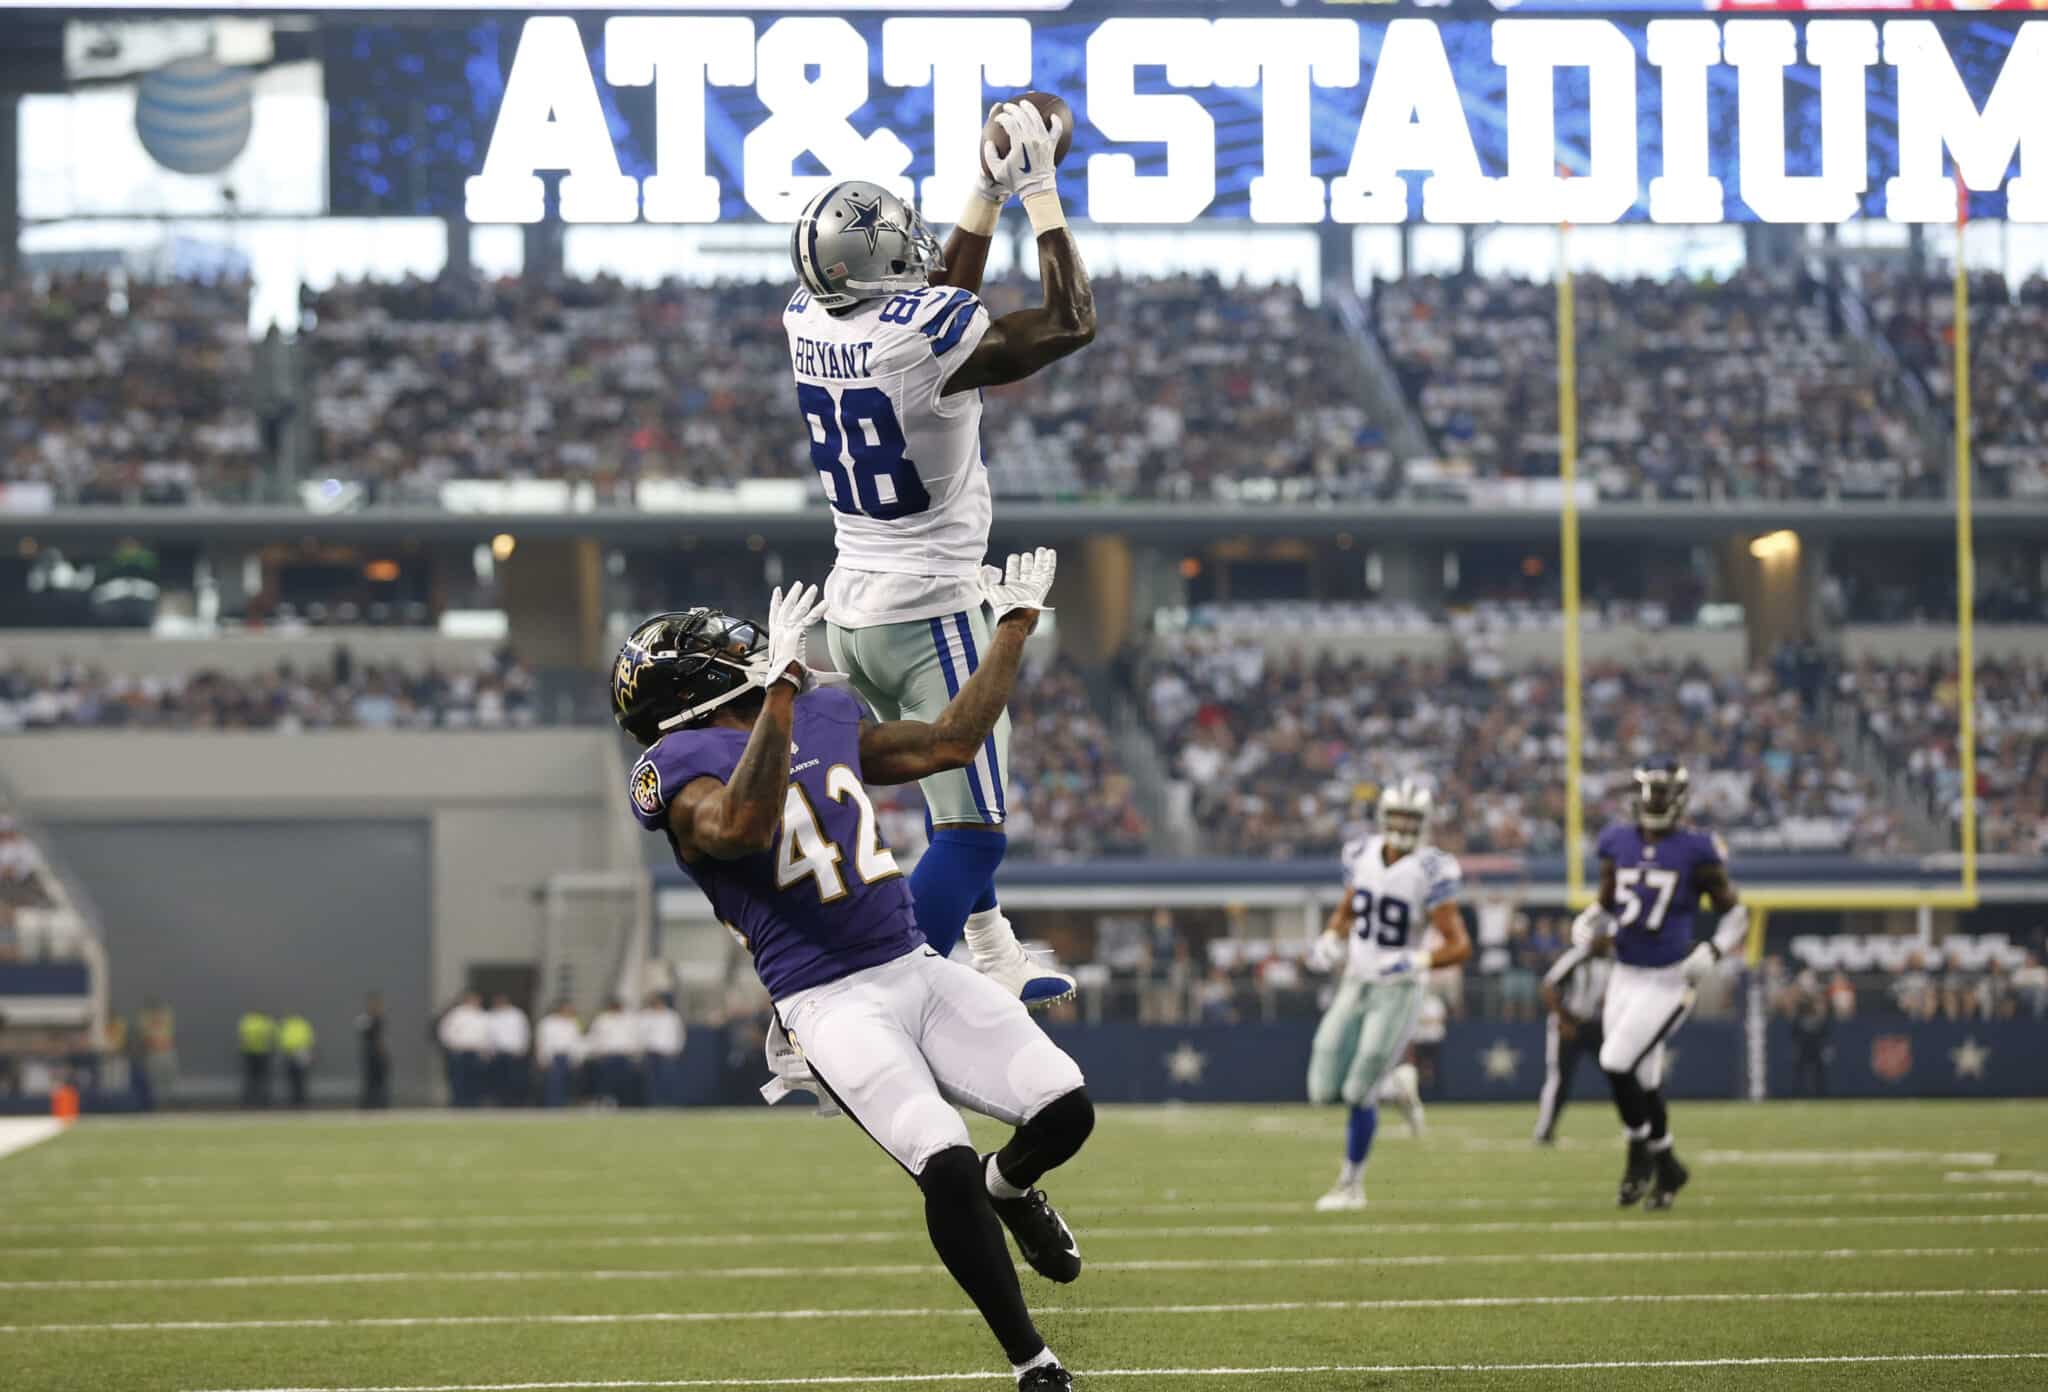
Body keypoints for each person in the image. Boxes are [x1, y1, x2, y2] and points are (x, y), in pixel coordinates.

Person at [614, 559, 1092, 1392]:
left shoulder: (821, 709)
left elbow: (952, 741)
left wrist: (1013, 627)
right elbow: (743, 825)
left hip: (910, 961)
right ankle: (1033, 1361)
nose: (741, 642)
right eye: (712, 645)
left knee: (1067, 1111)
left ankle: (1008, 1187)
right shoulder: (675, 766)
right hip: (826, 998)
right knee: (939, 1159)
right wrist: (778, 698)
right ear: (684, 684)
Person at [781, 98, 1095, 1010]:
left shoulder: (809, 316)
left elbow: (941, 302)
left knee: (945, 797)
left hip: (853, 612)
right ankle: (860, 1003)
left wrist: (980, 195)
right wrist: (1036, 191)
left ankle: (992, 945)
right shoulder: (924, 338)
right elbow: (1069, 322)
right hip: (931, 609)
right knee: (974, 835)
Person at [1572, 758, 1750, 1210]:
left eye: (1663, 795)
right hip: (1624, 972)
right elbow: (1610, 899)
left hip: (1669, 979)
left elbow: (1735, 912)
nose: (1654, 803)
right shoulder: (1617, 840)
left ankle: (1643, 1157)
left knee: (1615, 1061)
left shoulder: (1697, 849)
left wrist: (1712, 950)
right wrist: (1591, 918)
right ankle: (1668, 1169)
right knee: (1645, 1079)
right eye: (1650, 793)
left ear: (1680, 801)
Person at [1304, 780, 1472, 1211]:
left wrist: (1416, 961)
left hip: (1398, 988)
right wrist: (1331, 936)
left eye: (1411, 819)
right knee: (1322, 1085)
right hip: (1357, 978)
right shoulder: (1360, 853)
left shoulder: (1432, 868)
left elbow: (1459, 945)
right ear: (1383, 816)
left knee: (1358, 1090)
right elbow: (1351, 906)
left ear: (1424, 823)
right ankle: (1396, 1084)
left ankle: (1351, 1185)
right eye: (1397, 816)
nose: (1402, 825)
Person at [1534, 936, 1614, 1143]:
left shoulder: (1613, 960)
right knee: (1560, 1079)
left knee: (1618, 1073)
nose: (1609, 942)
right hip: (1569, 1022)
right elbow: (1548, 988)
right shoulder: (1576, 957)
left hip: (1596, 1025)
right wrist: (1563, 1020)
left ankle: (1637, 1127)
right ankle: (1545, 1131)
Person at [436, 991, 489, 1107]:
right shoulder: (456, 1015)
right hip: (459, 1052)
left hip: (476, 1053)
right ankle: (458, 1103)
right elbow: (445, 1032)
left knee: (475, 1080)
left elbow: (487, 1035)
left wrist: (485, 1050)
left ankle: (473, 1103)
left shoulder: (482, 1016)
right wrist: (452, 1047)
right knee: (458, 1080)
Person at [586, 996, 639, 1105]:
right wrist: (597, 1052)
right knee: (606, 1082)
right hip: (607, 1056)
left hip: (624, 1055)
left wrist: (635, 1052)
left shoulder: (629, 1020)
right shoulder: (602, 1019)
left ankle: (625, 1103)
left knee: (625, 1082)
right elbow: (594, 1037)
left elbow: (635, 1037)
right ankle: (606, 1103)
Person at [637, 992, 687, 1106]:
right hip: (651, 1052)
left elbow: (679, 1034)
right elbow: (640, 1034)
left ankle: (669, 1102)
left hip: (667, 1053)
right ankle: (653, 1103)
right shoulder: (645, 1015)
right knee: (651, 1081)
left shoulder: (672, 1016)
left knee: (668, 1079)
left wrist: (677, 1049)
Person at [536, 999, 585, 1107]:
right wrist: (542, 1058)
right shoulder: (547, 1022)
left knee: (568, 1084)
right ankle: (552, 1106)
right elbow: (543, 1041)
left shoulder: (573, 1023)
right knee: (554, 1084)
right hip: (554, 1057)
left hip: (568, 1057)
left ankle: (566, 1105)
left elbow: (577, 1042)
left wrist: (578, 1058)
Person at [485, 993, 531, 1106]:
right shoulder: (490, 1015)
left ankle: (515, 1102)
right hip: (497, 1053)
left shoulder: (517, 1014)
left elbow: (524, 1032)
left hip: (514, 1053)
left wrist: (523, 1048)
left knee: (515, 1080)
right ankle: (500, 1102)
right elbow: (487, 1035)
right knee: (498, 1080)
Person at [138, 997, 177, 1107]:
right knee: (153, 1081)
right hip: (153, 1054)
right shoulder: (145, 1021)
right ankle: (154, 1103)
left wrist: (162, 1045)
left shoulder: (166, 1020)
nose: (157, 1015)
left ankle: (168, 1101)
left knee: (168, 1078)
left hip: (166, 1053)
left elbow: (168, 1040)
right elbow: (147, 1040)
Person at [356, 993, 390, 1109]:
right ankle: (368, 1104)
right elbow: (372, 1038)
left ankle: (380, 1104)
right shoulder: (366, 1019)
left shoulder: (379, 1019)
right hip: (371, 1054)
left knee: (380, 1081)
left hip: (377, 1054)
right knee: (370, 1080)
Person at [237, 1009, 276, 1108]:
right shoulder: (265, 1022)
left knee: (251, 1079)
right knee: (263, 1079)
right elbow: (271, 1037)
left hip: (249, 1053)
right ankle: (264, 1101)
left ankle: (249, 1101)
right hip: (263, 1053)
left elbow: (242, 1038)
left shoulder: (247, 1022)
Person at [278, 1012, 315, 1107]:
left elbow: (282, 1040)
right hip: (299, 1053)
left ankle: (298, 1100)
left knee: (296, 1079)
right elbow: (310, 1039)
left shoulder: (287, 1025)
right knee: (299, 1079)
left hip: (293, 1053)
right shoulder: (303, 1025)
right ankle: (299, 1100)